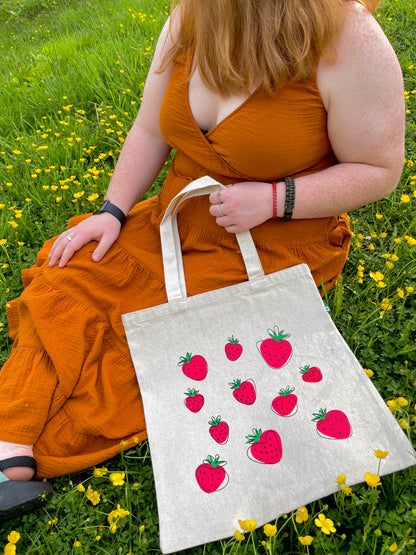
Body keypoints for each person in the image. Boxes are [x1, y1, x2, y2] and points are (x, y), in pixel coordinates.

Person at [0, 0, 404, 520]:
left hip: (275, 240)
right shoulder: (190, 16)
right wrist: (112, 210)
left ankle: (38, 438)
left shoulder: (347, 37)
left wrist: (274, 199)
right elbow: (150, 129)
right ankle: (10, 442)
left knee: (160, 348)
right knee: (69, 282)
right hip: (176, 220)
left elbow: (378, 169)